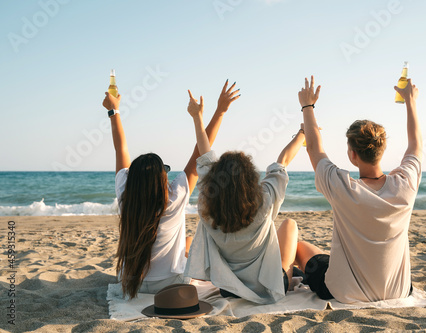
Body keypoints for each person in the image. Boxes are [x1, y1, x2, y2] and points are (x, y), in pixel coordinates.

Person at [102, 80, 240, 298]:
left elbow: (120, 147)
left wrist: (114, 111)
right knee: (193, 246)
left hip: (131, 282)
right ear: (161, 178)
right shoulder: (175, 196)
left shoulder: (125, 193)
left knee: (187, 242)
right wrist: (220, 111)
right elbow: (200, 154)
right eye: (165, 170)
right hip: (170, 284)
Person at [295, 75, 422, 303]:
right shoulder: (406, 185)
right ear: (382, 150)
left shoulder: (342, 187)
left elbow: (314, 148)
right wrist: (410, 101)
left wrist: (307, 106)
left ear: (352, 155)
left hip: (344, 293)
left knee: (301, 248)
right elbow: (416, 145)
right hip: (399, 291)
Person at [183, 89, 303, 304]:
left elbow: (204, 155)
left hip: (229, 288)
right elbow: (282, 160)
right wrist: (303, 134)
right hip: (269, 286)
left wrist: (197, 117)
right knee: (291, 225)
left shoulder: (207, 204)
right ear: (250, 178)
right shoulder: (265, 200)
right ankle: (290, 274)